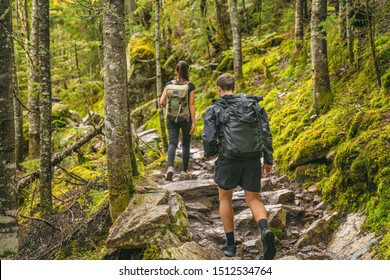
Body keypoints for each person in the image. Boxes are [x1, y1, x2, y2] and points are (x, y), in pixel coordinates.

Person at [202, 73, 276, 260]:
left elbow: (209, 138)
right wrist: (268, 159)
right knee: (254, 199)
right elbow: (265, 133)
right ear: (234, 87)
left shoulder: (215, 109)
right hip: (252, 158)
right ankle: (265, 230)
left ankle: (230, 245)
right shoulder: (254, 105)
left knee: (225, 198)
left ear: (219, 89)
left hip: (228, 158)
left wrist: (211, 152)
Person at [160, 60, 196, 181]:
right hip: (185, 119)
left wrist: (172, 110)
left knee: (172, 143)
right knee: (186, 144)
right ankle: (184, 171)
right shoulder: (190, 86)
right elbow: (191, 104)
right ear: (187, 71)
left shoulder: (169, 84)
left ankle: (170, 167)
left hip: (171, 118)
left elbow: (162, 101)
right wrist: (193, 121)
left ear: (176, 71)